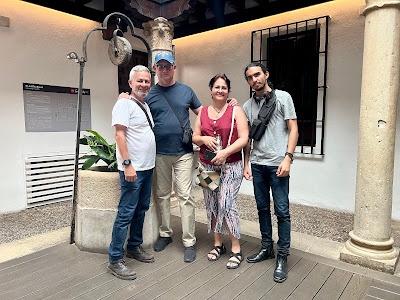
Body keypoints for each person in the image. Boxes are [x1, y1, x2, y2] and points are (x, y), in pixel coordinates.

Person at [242, 62, 298, 283]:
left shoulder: (283, 98)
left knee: (282, 211)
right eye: (249, 77)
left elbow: (293, 129)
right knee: (262, 209)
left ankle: (283, 256)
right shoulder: (247, 106)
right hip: (257, 164)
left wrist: (288, 158)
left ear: (266, 74)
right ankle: (267, 248)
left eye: (257, 74)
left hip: (278, 164)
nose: (254, 79)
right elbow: (247, 139)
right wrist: (247, 163)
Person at [192, 74, 249, 269]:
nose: (220, 90)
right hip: (207, 165)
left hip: (231, 165)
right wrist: (203, 140)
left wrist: (225, 152)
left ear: (228, 91)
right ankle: (218, 244)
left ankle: (236, 248)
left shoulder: (236, 111)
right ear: (211, 89)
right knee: (212, 205)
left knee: (226, 202)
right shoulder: (203, 112)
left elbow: (244, 138)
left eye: (224, 87)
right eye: (217, 87)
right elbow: (195, 136)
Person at [107, 65, 156, 280]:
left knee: (141, 209)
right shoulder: (124, 104)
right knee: (126, 212)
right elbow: (119, 135)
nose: (144, 84)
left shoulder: (142, 104)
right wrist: (127, 164)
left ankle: (134, 246)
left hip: (147, 167)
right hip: (133, 169)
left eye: (146, 81)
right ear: (130, 83)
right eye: (140, 81)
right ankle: (115, 259)